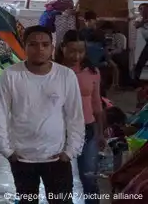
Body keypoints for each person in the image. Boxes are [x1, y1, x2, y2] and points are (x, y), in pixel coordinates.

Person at [0, 25, 85, 204]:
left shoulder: (65, 75)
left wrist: (70, 151)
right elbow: (1, 114)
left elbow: (75, 116)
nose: (40, 49)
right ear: (24, 47)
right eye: (33, 44)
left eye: (45, 44)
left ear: (52, 47)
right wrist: (7, 151)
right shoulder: (11, 75)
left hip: (57, 157)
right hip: (21, 158)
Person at [58, 30, 106, 204]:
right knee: (62, 181)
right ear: (62, 48)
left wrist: (100, 132)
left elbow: (97, 105)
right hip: (59, 132)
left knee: (89, 177)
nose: (76, 56)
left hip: (88, 129)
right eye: (71, 50)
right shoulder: (53, 71)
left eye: (81, 51)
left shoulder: (92, 72)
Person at [131, 3, 148, 82]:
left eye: (144, 9)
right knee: (141, 62)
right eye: (141, 9)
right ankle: (135, 82)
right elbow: (136, 25)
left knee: (141, 61)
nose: (142, 11)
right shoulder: (140, 19)